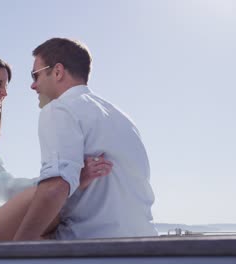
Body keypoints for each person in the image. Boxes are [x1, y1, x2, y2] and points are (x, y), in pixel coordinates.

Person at [0, 53, 112, 241]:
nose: (5, 93)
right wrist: (67, 178)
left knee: (53, 213)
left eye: (6, 86)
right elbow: (4, 188)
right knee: (48, 197)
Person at [13, 38, 158, 240]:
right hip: (144, 243)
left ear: (57, 71)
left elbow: (54, 188)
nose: (32, 85)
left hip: (89, 245)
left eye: (35, 75)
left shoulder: (60, 109)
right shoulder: (123, 119)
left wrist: (14, 251)